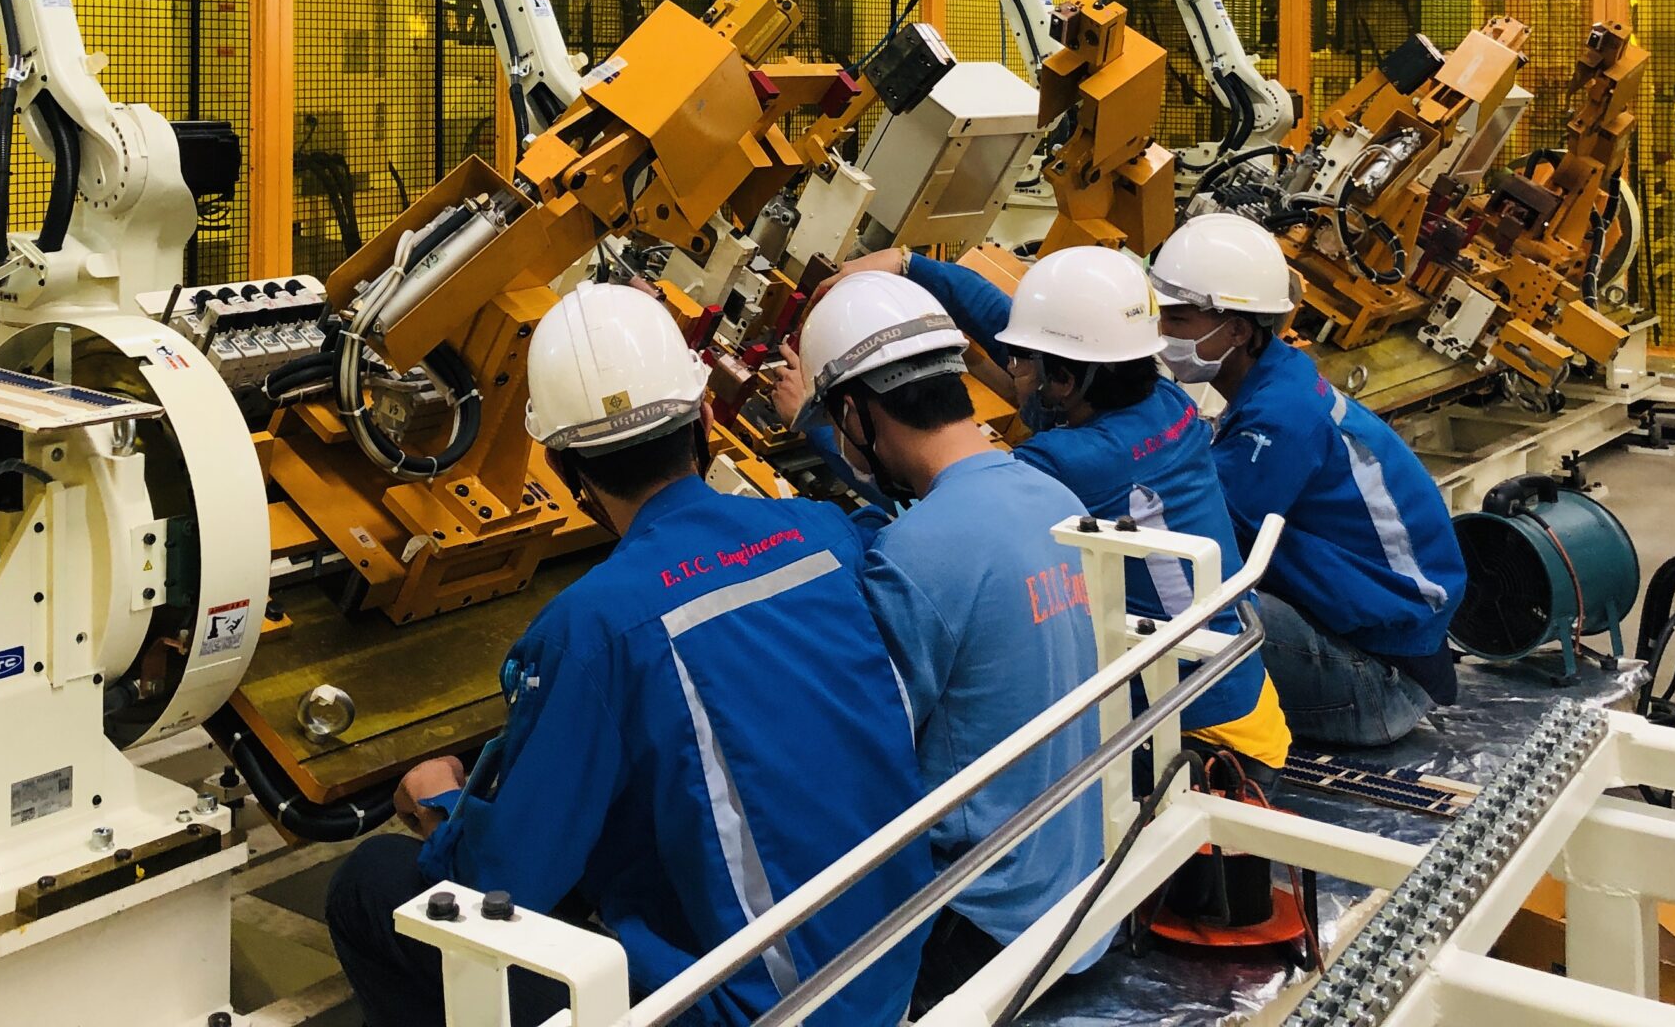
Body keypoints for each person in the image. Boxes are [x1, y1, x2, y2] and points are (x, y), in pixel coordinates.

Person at [324, 282, 931, 1027]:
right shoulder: (821, 532)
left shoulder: (591, 628)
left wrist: (443, 805)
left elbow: (506, 881)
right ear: (704, 418)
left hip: (770, 1012)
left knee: (372, 883)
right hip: (891, 967)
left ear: (561, 467)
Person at [828, 244, 1290, 775]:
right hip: (1244, 692)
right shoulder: (1167, 403)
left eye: (1021, 361)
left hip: (1196, 736)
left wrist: (826, 427)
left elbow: (943, 512)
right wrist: (911, 265)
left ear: (1065, 382)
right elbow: (1048, 335)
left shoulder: (1064, 462)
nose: (1013, 368)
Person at [786, 272, 1105, 1013]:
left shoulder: (917, 552)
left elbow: (863, 754)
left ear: (853, 413)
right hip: (1078, 900)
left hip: (983, 926)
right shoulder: (1053, 496)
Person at [1149, 213, 1468, 748]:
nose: (1163, 333)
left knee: (1162, 604)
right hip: (1396, 656)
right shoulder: (1277, 384)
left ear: (1237, 330)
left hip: (1381, 685)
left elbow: (1202, 536)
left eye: (1177, 319)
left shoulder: (1281, 419)